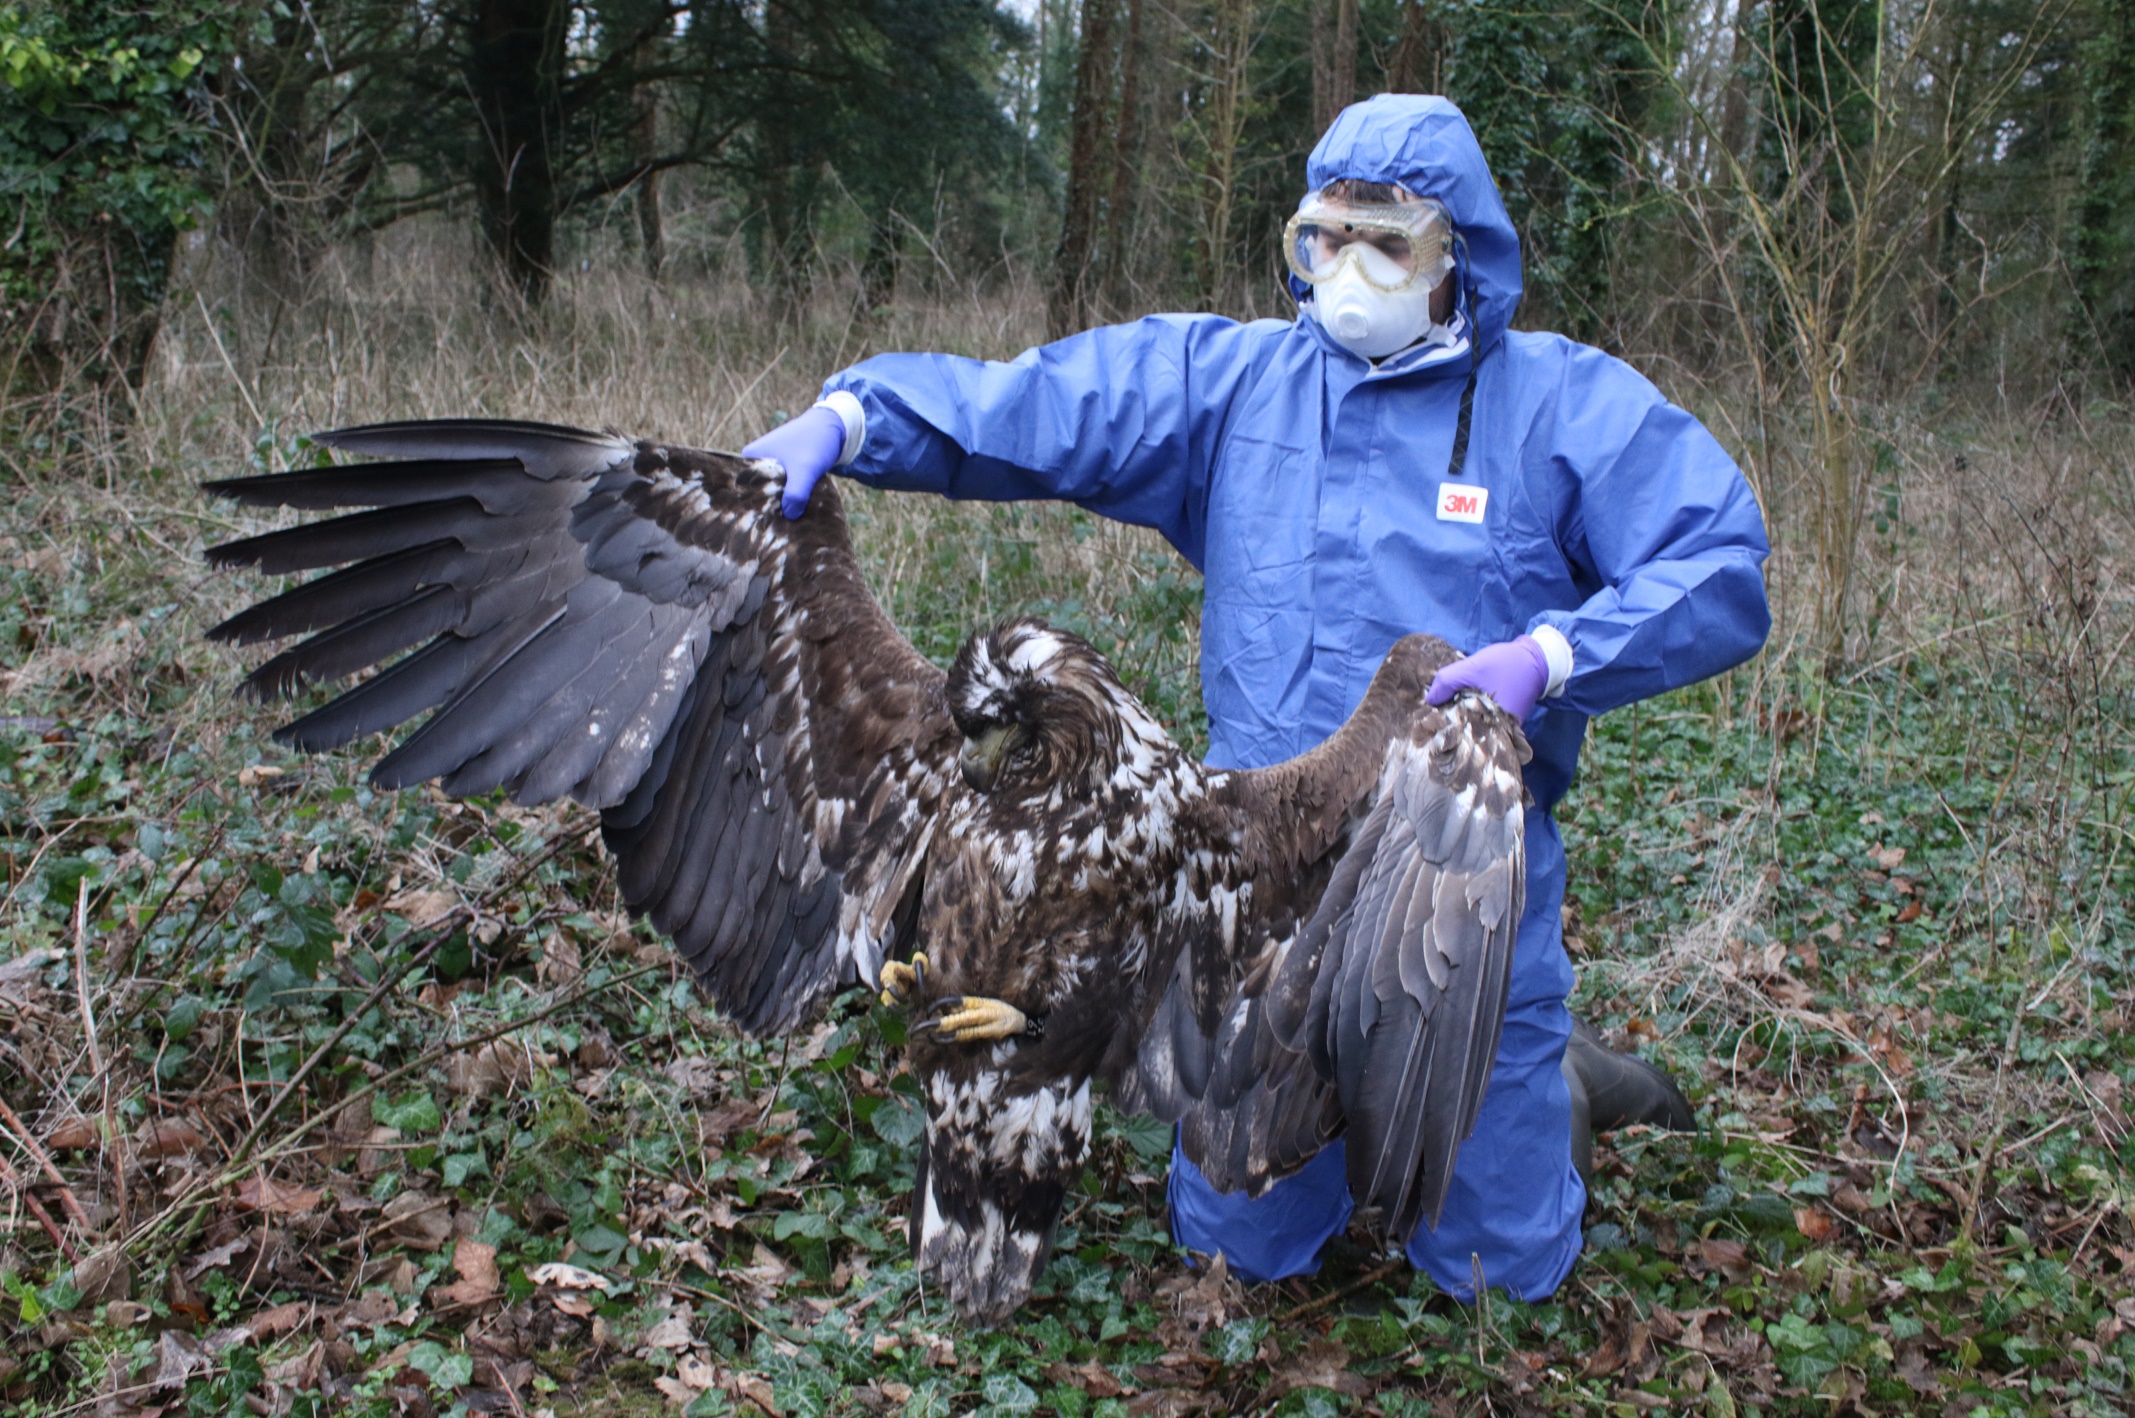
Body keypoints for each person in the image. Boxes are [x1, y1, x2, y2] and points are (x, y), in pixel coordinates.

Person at [743, 93, 1769, 1301]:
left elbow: (1715, 563)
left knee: (1498, 1272)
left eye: (1386, 243)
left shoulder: (1559, 406)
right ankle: (1312, 1141)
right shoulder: (1235, 384)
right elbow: (1044, 403)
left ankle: (1549, 1091)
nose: (1348, 269)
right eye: (1322, 237)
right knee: (1238, 1255)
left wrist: (1552, 654)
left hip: (1457, 887)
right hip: (1252, 889)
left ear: (1459, 259)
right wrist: (859, 415)